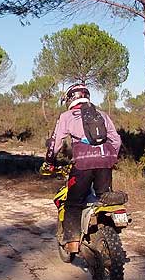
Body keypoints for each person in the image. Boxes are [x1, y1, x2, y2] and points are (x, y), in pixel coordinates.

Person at [42, 82, 122, 254]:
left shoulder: (67, 116)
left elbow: (56, 142)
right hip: (105, 163)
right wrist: (111, 158)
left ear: (71, 98)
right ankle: (105, 231)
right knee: (103, 197)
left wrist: (49, 161)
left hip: (83, 165)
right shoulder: (102, 115)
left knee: (73, 202)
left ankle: (73, 242)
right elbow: (116, 140)